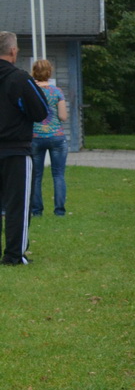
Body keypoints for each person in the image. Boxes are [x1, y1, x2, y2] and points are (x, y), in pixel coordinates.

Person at [0, 32, 50, 265]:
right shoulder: (19, 79)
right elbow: (40, 111)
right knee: (17, 205)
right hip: (15, 149)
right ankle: (13, 255)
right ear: (13, 51)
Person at [30, 60, 70, 217]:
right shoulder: (57, 91)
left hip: (35, 137)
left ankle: (36, 211)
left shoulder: (30, 91)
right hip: (57, 137)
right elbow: (63, 116)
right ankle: (59, 211)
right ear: (50, 72)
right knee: (58, 174)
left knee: (36, 175)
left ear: (34, 72)